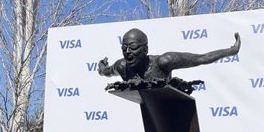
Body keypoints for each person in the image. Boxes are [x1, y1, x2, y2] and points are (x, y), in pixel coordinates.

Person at [98, 28, 241, 82]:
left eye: (133, 47)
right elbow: (106, 71)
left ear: (145, 50)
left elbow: (201, 58)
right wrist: (101, 66)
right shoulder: (122, 66)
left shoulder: (164, 62)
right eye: (124, 47)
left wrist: (231, 51)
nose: (127, 51)